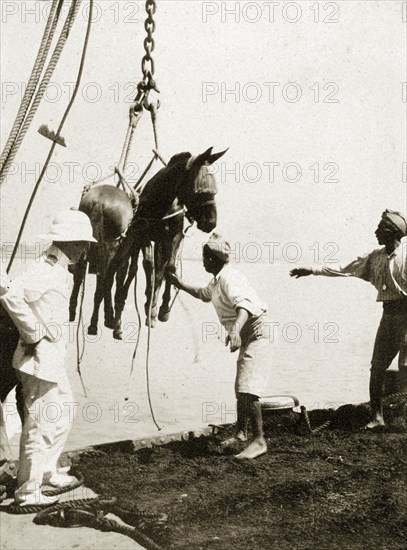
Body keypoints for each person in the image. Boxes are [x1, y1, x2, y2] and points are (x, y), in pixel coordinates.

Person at [0, 210, 96, 506]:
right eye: (81, 242)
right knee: (39, 423)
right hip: (38, 360)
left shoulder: (60, 267)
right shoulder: (46, 267)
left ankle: (46, 471)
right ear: (67, 241)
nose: (85, 248)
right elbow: (9, 294)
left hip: (52, 360)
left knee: (65, 411)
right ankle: (27, 492)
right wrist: (33, 333)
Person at [290, 209, 407, 430]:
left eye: (380, 229)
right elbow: (344, 269)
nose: (375, 232)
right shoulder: (375, 257)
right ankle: (377, 417)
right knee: (377, 367)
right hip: (389, 315)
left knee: (405, 367)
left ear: (392, 232)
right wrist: (312, 270)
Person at [170, 233, 270, 459]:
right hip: (247, 334)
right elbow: (203, 295)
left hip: (257, 331)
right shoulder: (217, 281)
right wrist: (179, 284)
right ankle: (242, 434)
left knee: (248, 386)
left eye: (206, 256)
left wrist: (235, 330)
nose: (203, 260)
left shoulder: (228, 278)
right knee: (240, 386)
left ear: (214, 259)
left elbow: (244, 305)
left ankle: (259, 440)